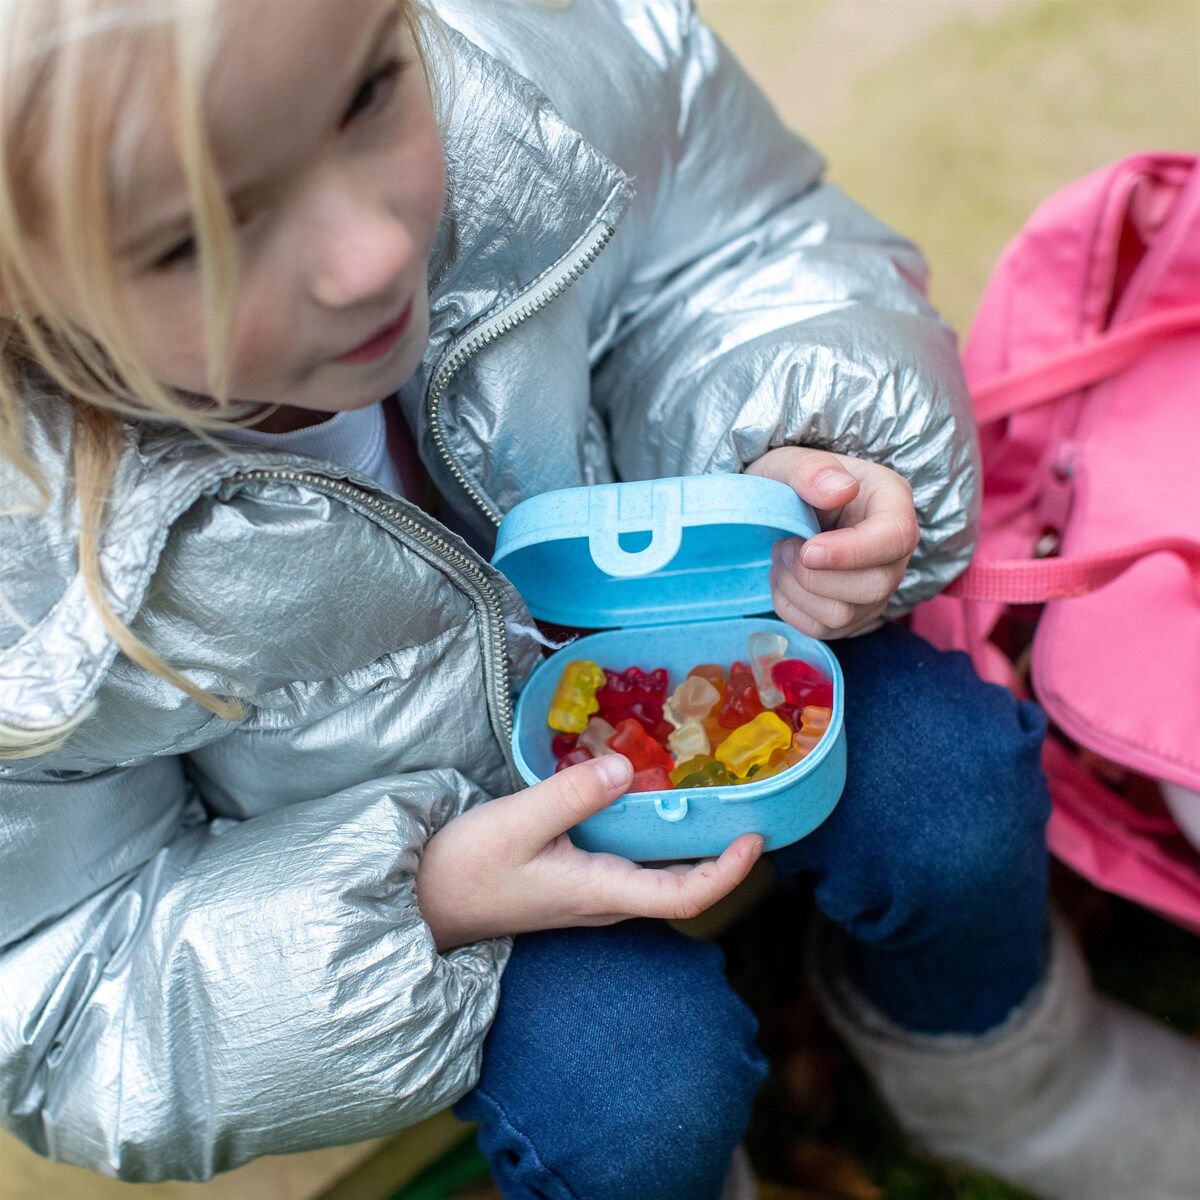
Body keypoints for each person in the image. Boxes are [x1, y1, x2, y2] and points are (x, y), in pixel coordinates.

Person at [0, 2, 1195, 1198]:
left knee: (954, 789)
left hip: (722, 653)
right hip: (413, 882)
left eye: (367, 96)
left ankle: (1016, 1087)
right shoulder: (24, 567)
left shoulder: (544, 75)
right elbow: (57, 990)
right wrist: (417, 904)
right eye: (196, 242)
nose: (367, 251)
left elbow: (736, 245)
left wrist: (809, 440)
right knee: (637, 1090)